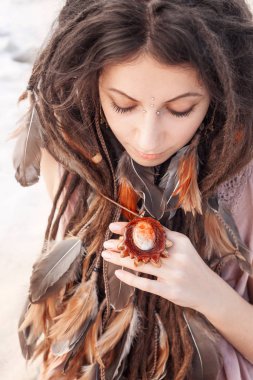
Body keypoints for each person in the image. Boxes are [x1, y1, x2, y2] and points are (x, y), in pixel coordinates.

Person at [14, 0, 253, 379]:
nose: (148, 139)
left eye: (180, 110)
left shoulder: (245, 173)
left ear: (222, 94)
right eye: (123, 105)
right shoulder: (71, 153)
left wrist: (210, 294)